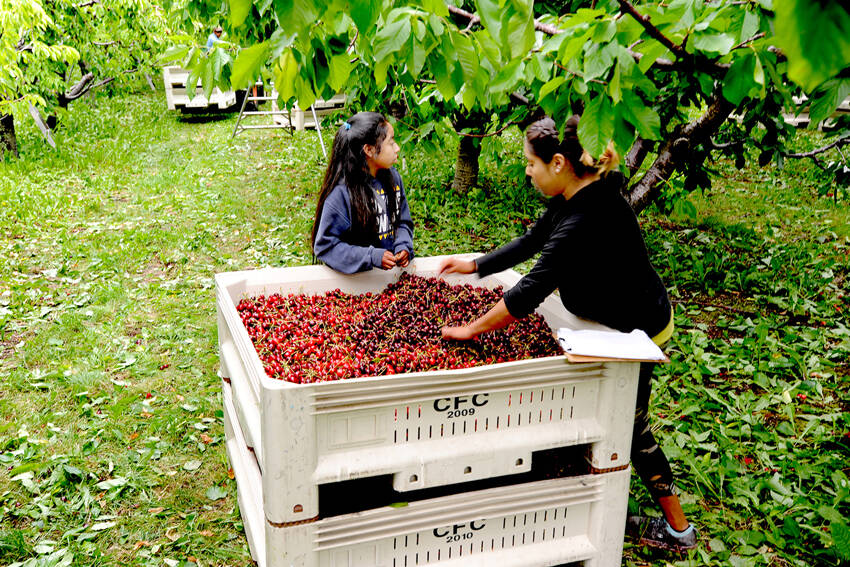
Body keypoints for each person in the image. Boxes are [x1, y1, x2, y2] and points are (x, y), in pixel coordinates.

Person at [438, 115, 698, 553]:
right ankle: (588, 483)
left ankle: (679, 530)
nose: (526, 171)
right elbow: (532, 239)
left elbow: (531, 290)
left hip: (640, 329)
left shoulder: (587, 215)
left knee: (630, 425)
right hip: (606, 320)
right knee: (607, 412)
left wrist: (470, 329)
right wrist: (477, 265)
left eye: (530, 163)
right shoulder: (575, 192)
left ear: (558, 162)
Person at [311, 111, 414, 274]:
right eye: (391, 142)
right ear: (369, 150)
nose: (397, 148)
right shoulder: (342, 193)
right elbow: (326, 246)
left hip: (390, 279)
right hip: (357, 283)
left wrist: (403, 244)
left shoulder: (393, 178)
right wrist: (370, 256)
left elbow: (403, 221)